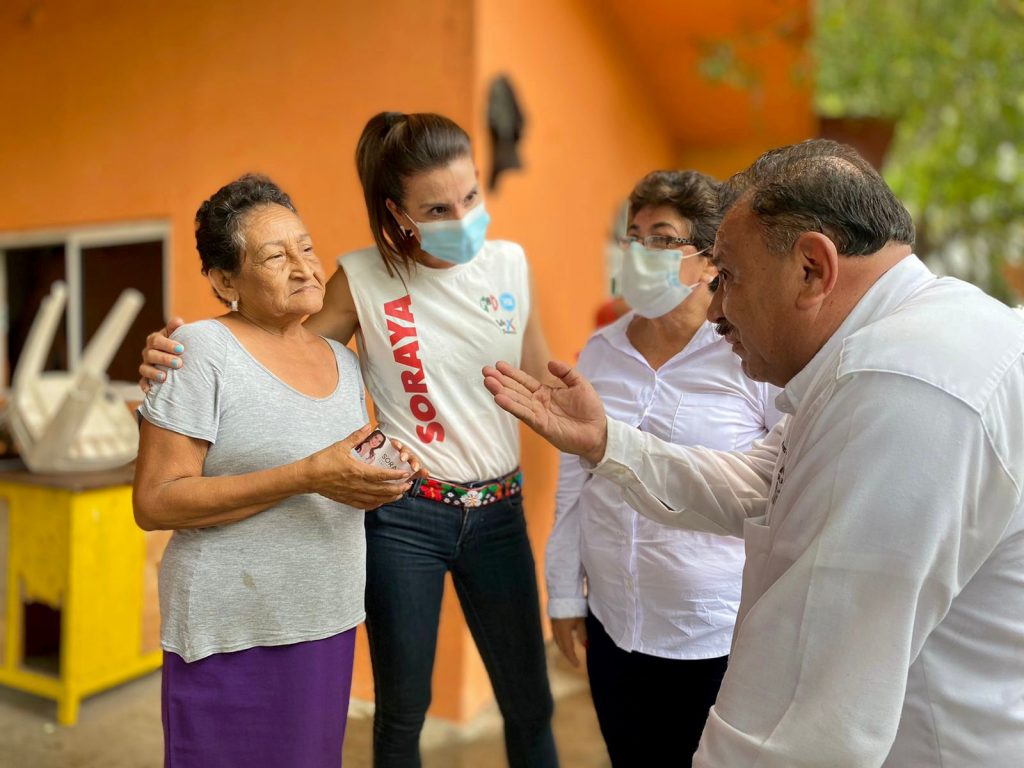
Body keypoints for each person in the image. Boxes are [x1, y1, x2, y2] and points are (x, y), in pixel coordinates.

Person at [483, 139, 1024, 767]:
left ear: (812, 269)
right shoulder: (899, 348)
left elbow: (798, 723)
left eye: (730, 278)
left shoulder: (899, 391)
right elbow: (760, 484)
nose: (717, 308)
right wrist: (609, 443)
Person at [140, 113, 559, 768]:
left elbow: (542, 382)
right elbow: (274, 350)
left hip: (499, 510)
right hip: (406, 517)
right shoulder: (361, 278)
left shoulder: (509, 265)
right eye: (437, 208)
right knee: (402, 713)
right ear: (398, 213)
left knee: (530, 703)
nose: (462, 217)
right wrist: (176, 361)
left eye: (471, 196)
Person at [133, 175, 423, 768]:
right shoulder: (201, 350)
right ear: (225, 281)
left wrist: (381, 476)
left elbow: (335, 476)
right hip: (230, 629)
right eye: (274, 256)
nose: (304, 267)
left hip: (325, 620)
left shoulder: (343, 361)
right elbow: (155, 502)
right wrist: (307, 475)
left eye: (306, 248)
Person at [546, 169, 781, 765]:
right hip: (614, 624)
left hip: (715, 635)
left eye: (662, 238)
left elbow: (782, 485)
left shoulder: (749, 355)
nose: (639, 252)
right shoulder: (601, 351)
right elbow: (574, 484)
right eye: (633, 236)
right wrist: (565, 596)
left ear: (710, 261)